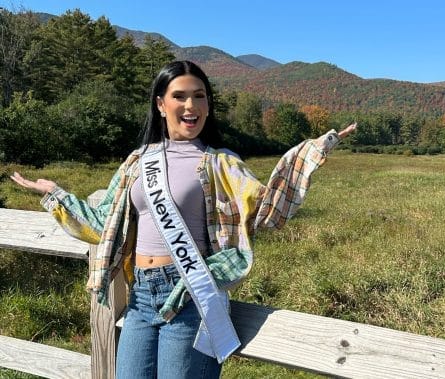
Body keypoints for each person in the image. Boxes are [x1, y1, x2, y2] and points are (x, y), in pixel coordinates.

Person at [11, 60, 357, 379]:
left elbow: (268, 210)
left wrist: (313, 151)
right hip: (141, 296)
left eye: (199, 96)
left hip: (191, 294)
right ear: (161, 104)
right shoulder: (136, 162)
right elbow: (104, 225)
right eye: (180, 96)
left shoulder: (221, 163)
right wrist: (55, 194)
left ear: (208, 105)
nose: (191, 106)